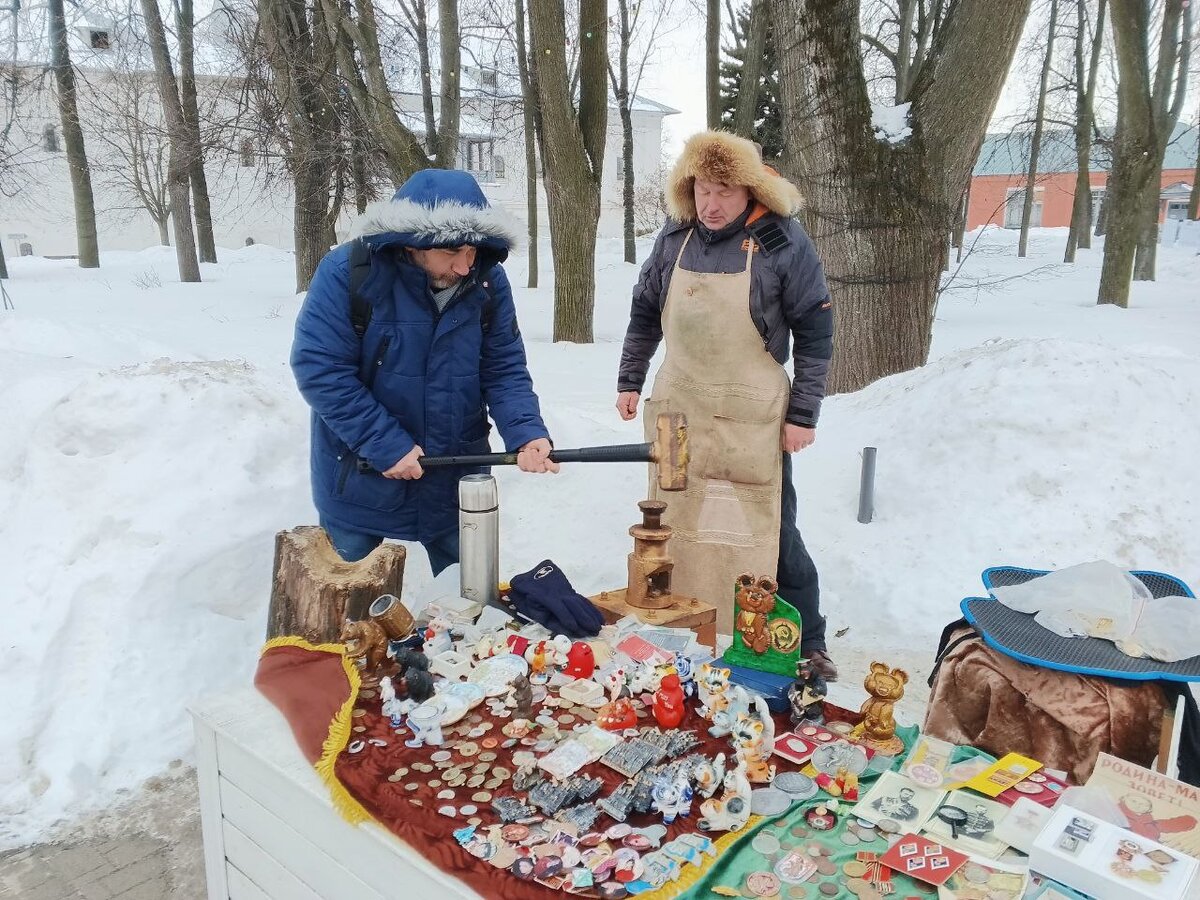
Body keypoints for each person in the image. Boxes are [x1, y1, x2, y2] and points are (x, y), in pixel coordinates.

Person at [616, 131, 836, 679]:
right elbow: (645, 312)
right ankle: (683, 625)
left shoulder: (782, 243)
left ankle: (807, 640)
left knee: (769, 529)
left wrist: (802, 414)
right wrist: (629, 379)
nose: (710, 205)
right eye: (702, 191)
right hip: (681, 407)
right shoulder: (674, 239)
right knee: (672, 522)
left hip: (751, 414)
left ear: (750, 191)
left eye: (724, 192)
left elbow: (816, 330)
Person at [291, 168, 557, 571]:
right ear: (413, 243)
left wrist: (526, 431)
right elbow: (320, 370)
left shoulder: (487, 282)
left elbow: (502, 367)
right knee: (350, 611)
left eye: (473, 251)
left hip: (454, 479)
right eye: (453, 253)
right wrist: (385, 445)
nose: (467, 266)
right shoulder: (347, 274)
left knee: (468, 611)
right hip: (361, 477)